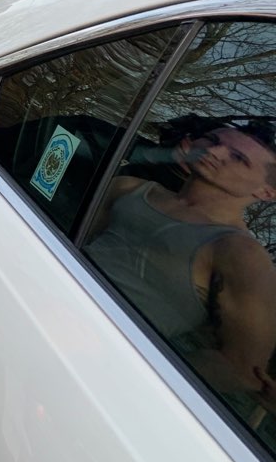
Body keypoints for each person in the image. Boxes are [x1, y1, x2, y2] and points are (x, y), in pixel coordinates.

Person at [87, 122, 276, 403]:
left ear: (266, 193)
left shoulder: (241, 254)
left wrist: (123, 373)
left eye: (238, 158)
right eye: (212, 139)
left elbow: (241, 369)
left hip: (100, 365)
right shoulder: (129, 188)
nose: (216, 151)